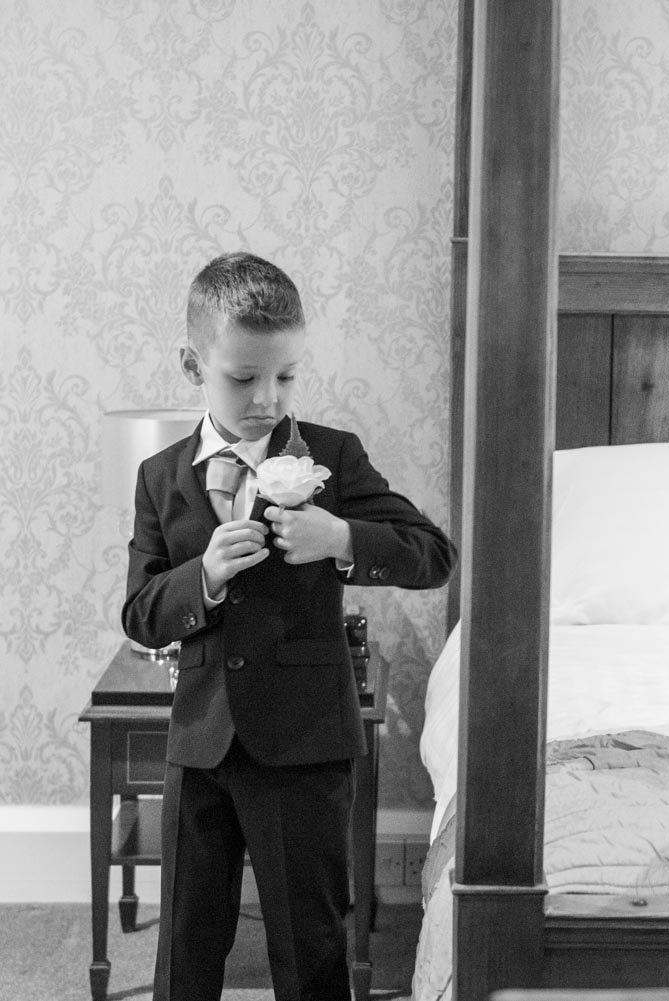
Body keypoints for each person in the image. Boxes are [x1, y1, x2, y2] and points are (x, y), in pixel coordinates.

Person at [122, 252, 456, 1000]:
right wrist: (202, 574)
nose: (268, 397)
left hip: (305, 743)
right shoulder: (160, 476)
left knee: (310, 951)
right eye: (244, 378)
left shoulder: (333, 456)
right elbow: (141, 611)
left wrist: (339, 539)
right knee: (183, 949)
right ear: (192, 363)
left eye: (286, 376)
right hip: (200, 743)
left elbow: (433, 554)